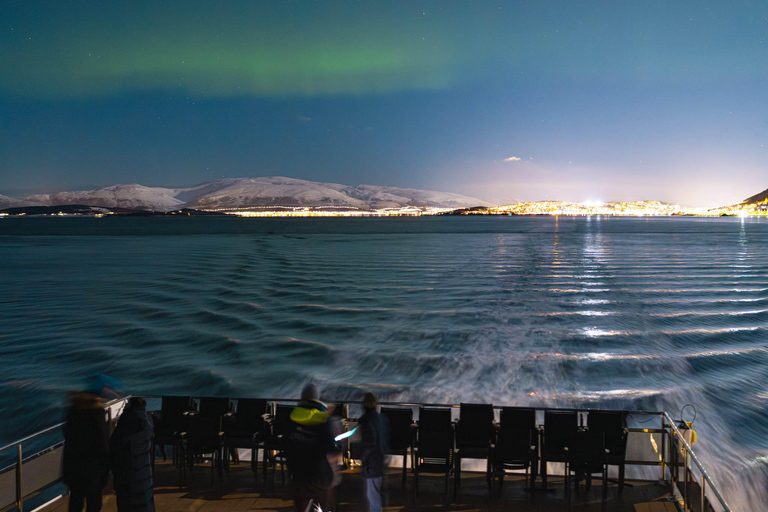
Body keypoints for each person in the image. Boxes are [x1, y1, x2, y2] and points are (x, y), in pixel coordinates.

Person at [285, 384, 340, 512]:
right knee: (320, 508)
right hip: (318, 475)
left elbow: (287, 445)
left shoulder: (292, 417)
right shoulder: (323, 419)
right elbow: (331, 447)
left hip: (299, 474)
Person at [62, 391, 110, 512]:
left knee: (76, 502)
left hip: (74, 469)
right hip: (93, 470)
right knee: (94, 504)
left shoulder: (73, 416)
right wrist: (106, 471)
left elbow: (69, 445)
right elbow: (102, 445)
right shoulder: (97, 417)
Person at [110, 397, 155, 512]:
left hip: (125, 475)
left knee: (126, 505)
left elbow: (114, 449)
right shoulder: (146, 426)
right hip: (143, 475)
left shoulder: (123, 426)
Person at [358, 393, 387, 512]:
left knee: (372, 494)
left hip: (372, 464)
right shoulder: (380, 418)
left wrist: (363, 458)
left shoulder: (366, 421)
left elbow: (370, 443)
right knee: (375, 492)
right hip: (379, 461)